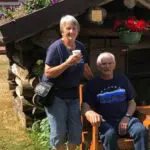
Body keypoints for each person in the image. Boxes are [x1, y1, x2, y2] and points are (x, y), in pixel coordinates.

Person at [42, 15, 93, 150]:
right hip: (56, 95)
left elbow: (85, 68)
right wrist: (67, 63)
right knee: (59, 132)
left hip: (74, 95)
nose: (71, 31)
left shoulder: (81, 47)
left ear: (78, 30)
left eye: (74, 28)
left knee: (76, 132)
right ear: (62, 31)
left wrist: (96, 80)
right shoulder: (55, 48)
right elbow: (48, 73)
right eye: (68, 28)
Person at [82, 52, 147, 150]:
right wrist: (89, 112)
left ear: (114, 65)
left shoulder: (123, 79)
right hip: (105, 121)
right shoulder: (92, 84)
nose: (107, 66)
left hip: (126, 119)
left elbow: (132, 102)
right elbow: (85, 105)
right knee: (109, 135)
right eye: (103, 64)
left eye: (110, 63)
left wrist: (127, 117)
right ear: (98, 66)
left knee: (140, 130)